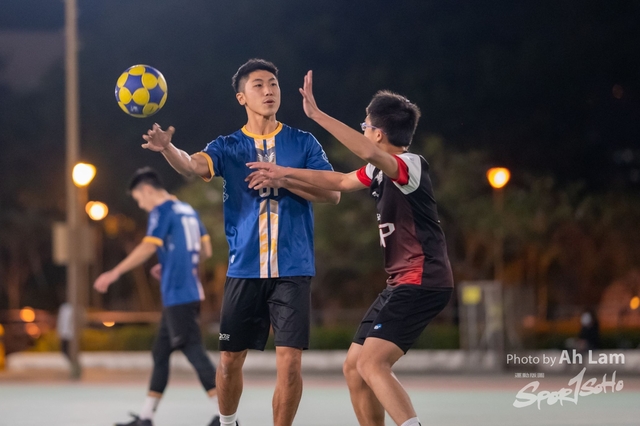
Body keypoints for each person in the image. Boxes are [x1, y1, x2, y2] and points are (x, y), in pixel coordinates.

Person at [247, 71, 454, 426]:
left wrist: (317, 115)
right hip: (400, 283)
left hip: (422, 280)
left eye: (365, 126)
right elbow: (340, 181)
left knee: (372, 363)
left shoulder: (409, 165)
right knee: (355, 368)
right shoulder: (378, 171)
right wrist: (283, 173)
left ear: (378, 133)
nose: (363, 132)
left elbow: (367, 151)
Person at [140, 59, 340, 426]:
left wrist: (284, 180)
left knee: (290, 363)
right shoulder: (228, 146)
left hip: (293, 268)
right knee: (230, 361)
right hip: (244, 268)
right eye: (258, 85)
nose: (268, 91)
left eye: (273, 84)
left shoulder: (303, 142)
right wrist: (168, 149)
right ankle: (228, 422)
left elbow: (333, 192)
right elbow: (191, 166)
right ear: (241, 97)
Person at [94, 167, 219, 426]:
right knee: (160, 353)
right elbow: (205, 251)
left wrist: (115, 272)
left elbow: (148, 246)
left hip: (179, 294)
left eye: (139, 199)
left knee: (194, 352)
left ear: (148, 191)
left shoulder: (161, 211)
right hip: (187, 292)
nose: (141, 205)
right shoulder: (188, 210)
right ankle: (146, 417)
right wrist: (174, 263)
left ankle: (226, 417)